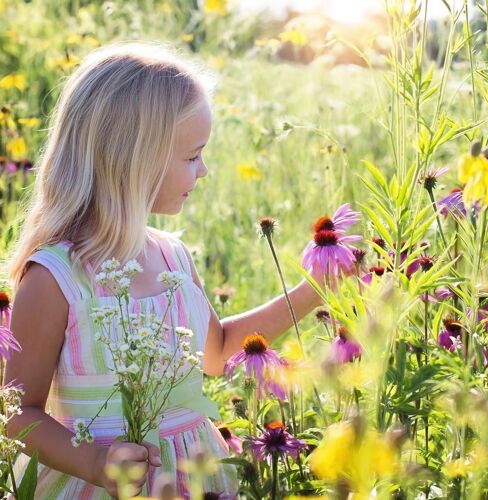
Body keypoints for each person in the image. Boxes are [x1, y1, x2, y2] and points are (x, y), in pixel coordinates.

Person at [4, 42, 324, 499]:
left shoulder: (173, 257)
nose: (205, 170)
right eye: (192, 156)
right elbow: (18, 412)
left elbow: (216, 353)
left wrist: (313, 290)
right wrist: (95, 461)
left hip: (195, 478)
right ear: (134, 161)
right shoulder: (56, 278)